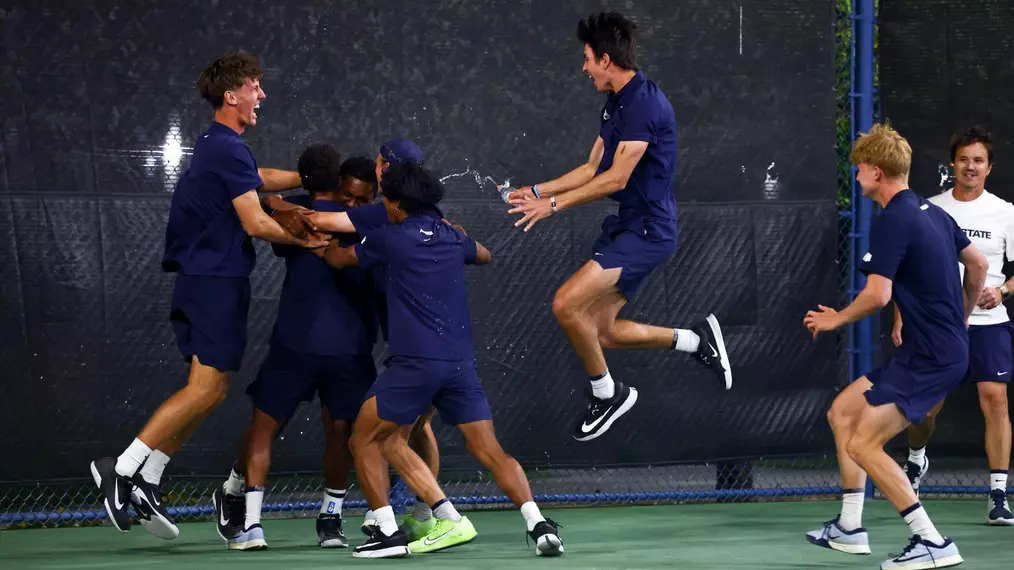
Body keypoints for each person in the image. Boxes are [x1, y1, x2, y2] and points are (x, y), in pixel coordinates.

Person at [89, 52, 326, 539]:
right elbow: (257, 221)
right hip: (211, 280)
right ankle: (122, 469)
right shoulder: (225, 146)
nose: (262, 95)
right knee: (203, 388)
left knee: (214, 390)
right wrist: (308, 240)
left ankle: (149, 477)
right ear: (231, 94)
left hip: (217, 278)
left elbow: (257, 180)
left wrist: (308, 180)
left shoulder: (222, 146)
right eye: (255, 86)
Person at [312, 163, 564, 559]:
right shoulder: (450, 237)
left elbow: (338, 259)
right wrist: (461, 238)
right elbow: (483, 254)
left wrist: (323, 243)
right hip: (459, 364)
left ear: (395, 204)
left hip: (414, 364)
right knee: (485, 449)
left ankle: (391, 531)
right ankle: (539, 523)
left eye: (386, 201)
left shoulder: (389, 239)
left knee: (363, 437)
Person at [507, 11, 731, 442]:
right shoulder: (618, 102)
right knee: (602, 332)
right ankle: (694, 340)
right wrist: (536, 190)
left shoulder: (645, 104)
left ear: (606, 59)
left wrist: (552, 205)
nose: (584, 66)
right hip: (630, 225)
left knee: (566, 304)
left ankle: (606, 394)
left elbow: (616, 178)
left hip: (648, 230)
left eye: (588, 58)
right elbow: (593, 166)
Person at [803, 123, 987, 569]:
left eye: (860, 168)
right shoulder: (932, 213)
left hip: (931, 356)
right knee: (843, 412)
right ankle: (849, 527)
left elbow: (879, 295)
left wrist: (836, 319)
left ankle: (932, 542)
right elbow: (978, 264)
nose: (857, 175)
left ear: (877, 172)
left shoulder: (893, 220)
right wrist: (960, 316)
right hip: (931, 349)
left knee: (864, 445)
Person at [213, 148, 380, 551]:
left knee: (341, 433)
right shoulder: (302, 212)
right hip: (295, 342)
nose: (352, 203)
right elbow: (261, 203)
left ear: (374, 197)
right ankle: (247, 514)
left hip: (350, 348)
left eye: (361, 199)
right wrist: (274, 203)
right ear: (335, 187)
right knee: (266, 425)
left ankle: (331, 518)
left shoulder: (376, 225)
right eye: (348, 195)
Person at [896, 126, 1013, 525]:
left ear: (989, 168)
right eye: (964, 159)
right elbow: (907, 269)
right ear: (953, 164)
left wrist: (1003, 292)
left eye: (978, 160)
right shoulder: (930, 208)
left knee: (995, 398)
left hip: (990, 324)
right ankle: (916, 460)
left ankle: (998, 494)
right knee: (927, 408)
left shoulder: (1005, 212)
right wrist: (900, 319)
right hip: (938, 325)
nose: (970, 166)